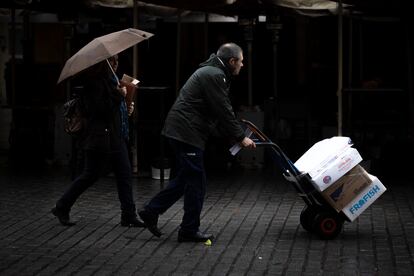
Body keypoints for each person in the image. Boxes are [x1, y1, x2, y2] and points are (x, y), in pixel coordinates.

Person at [138, 42, 256, 242]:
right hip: (186, 132)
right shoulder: (214, 75)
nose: (243, 65)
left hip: (183, 130)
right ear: (232, 61)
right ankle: (188, 230)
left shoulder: (214, 72)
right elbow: (223, 109)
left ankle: (151, 211)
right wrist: (240, 137)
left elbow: (214, 111)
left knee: (186, 177)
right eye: (241, 62)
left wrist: (229, 136)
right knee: (197, 182)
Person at [51, 58, 144, 228]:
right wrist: (119, 95)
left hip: (116, 136)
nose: (116, 63)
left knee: (124, 174)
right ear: (103, 63)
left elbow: (113, 108)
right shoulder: (94, 82)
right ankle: (62, 206)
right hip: (100, 137)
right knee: (89, 175)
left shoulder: (113, 79)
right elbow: (98, 110)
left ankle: (128, 214)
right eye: (112, 60)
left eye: (117, 60)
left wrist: (126, 106)